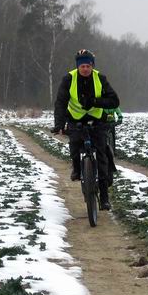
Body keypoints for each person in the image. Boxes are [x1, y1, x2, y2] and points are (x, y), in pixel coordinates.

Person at [50, 49, 121, 210]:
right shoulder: (69, 79)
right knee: (75, 144)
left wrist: (96, 101)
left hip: (97, 120)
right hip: (75, 119)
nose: (85, 69)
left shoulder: (100, 78)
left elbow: (114, 101)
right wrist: (59, 124)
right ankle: (77, 168)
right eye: (82, 66)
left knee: (102, 155)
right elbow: (60, 103)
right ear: (78, 66)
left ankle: (104, 197)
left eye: (88, 66)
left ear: (92, 66)